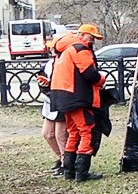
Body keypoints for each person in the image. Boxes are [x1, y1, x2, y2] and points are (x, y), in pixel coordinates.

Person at [50, 24, 107, 182]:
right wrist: (101, 79)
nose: (93, 41)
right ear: (82, 35)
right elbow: (90, 74)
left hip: (62, 97)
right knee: (86, 131)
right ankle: (81, 172)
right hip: (77, 98)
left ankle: (69, 171)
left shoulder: (65, 49)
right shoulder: (80, 49)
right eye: (91, 37)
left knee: (74, 132)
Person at [36, 36, 72, 176]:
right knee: (47, 134)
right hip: (50, 103)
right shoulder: (49, 63)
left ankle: (67, 163)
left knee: (61, 135)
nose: (50, 49)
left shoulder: (65, 62)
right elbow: (43, 79)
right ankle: (62, 158)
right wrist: (43, 84)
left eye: (53, 47)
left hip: (61, 102)